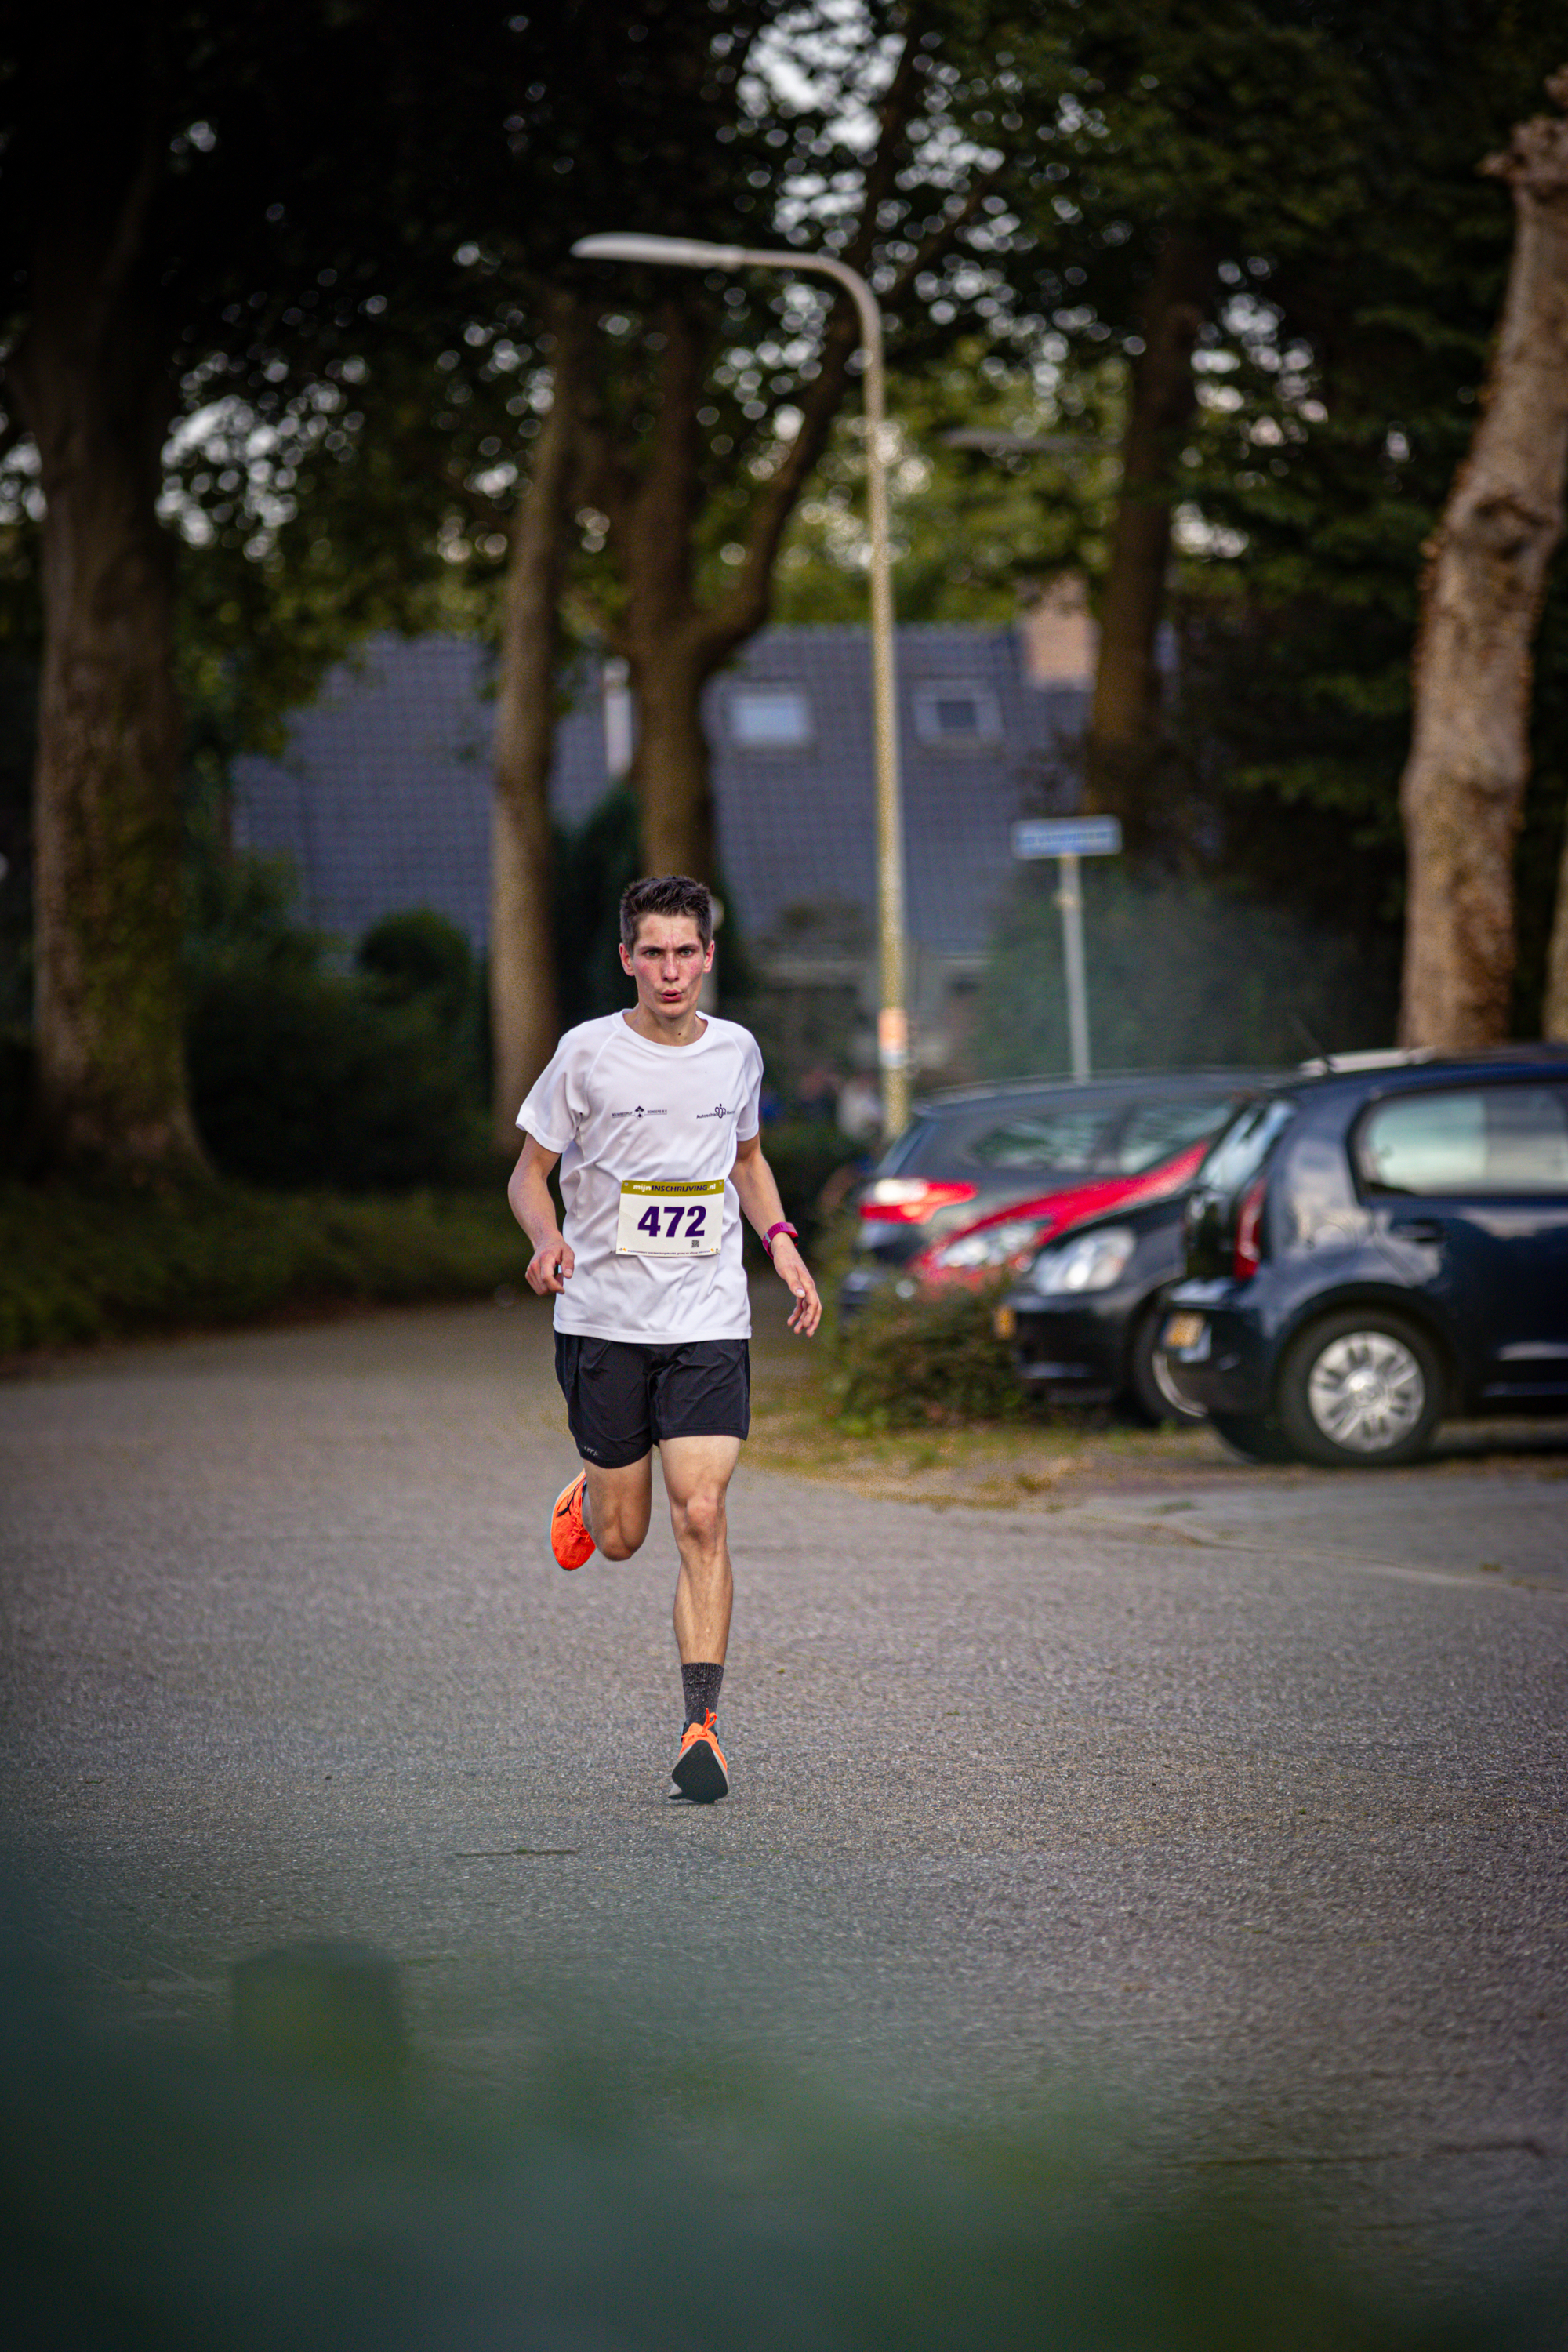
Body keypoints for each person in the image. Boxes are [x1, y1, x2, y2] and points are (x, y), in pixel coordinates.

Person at [507, 874, 821, 1803]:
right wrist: (546, 1237)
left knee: (702, 1514)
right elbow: (530, 1175)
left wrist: (782, 1245)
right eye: (654, 952)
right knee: (621, 1537)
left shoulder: (736, 1053)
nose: (671, 969)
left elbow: (748, 1164)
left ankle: (701, 1727)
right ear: (626, 960)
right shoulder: (585, 1055)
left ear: (709, 958)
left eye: (687, 952)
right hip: (603, 1321)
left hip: (706, 1322)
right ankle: (598, 1484)